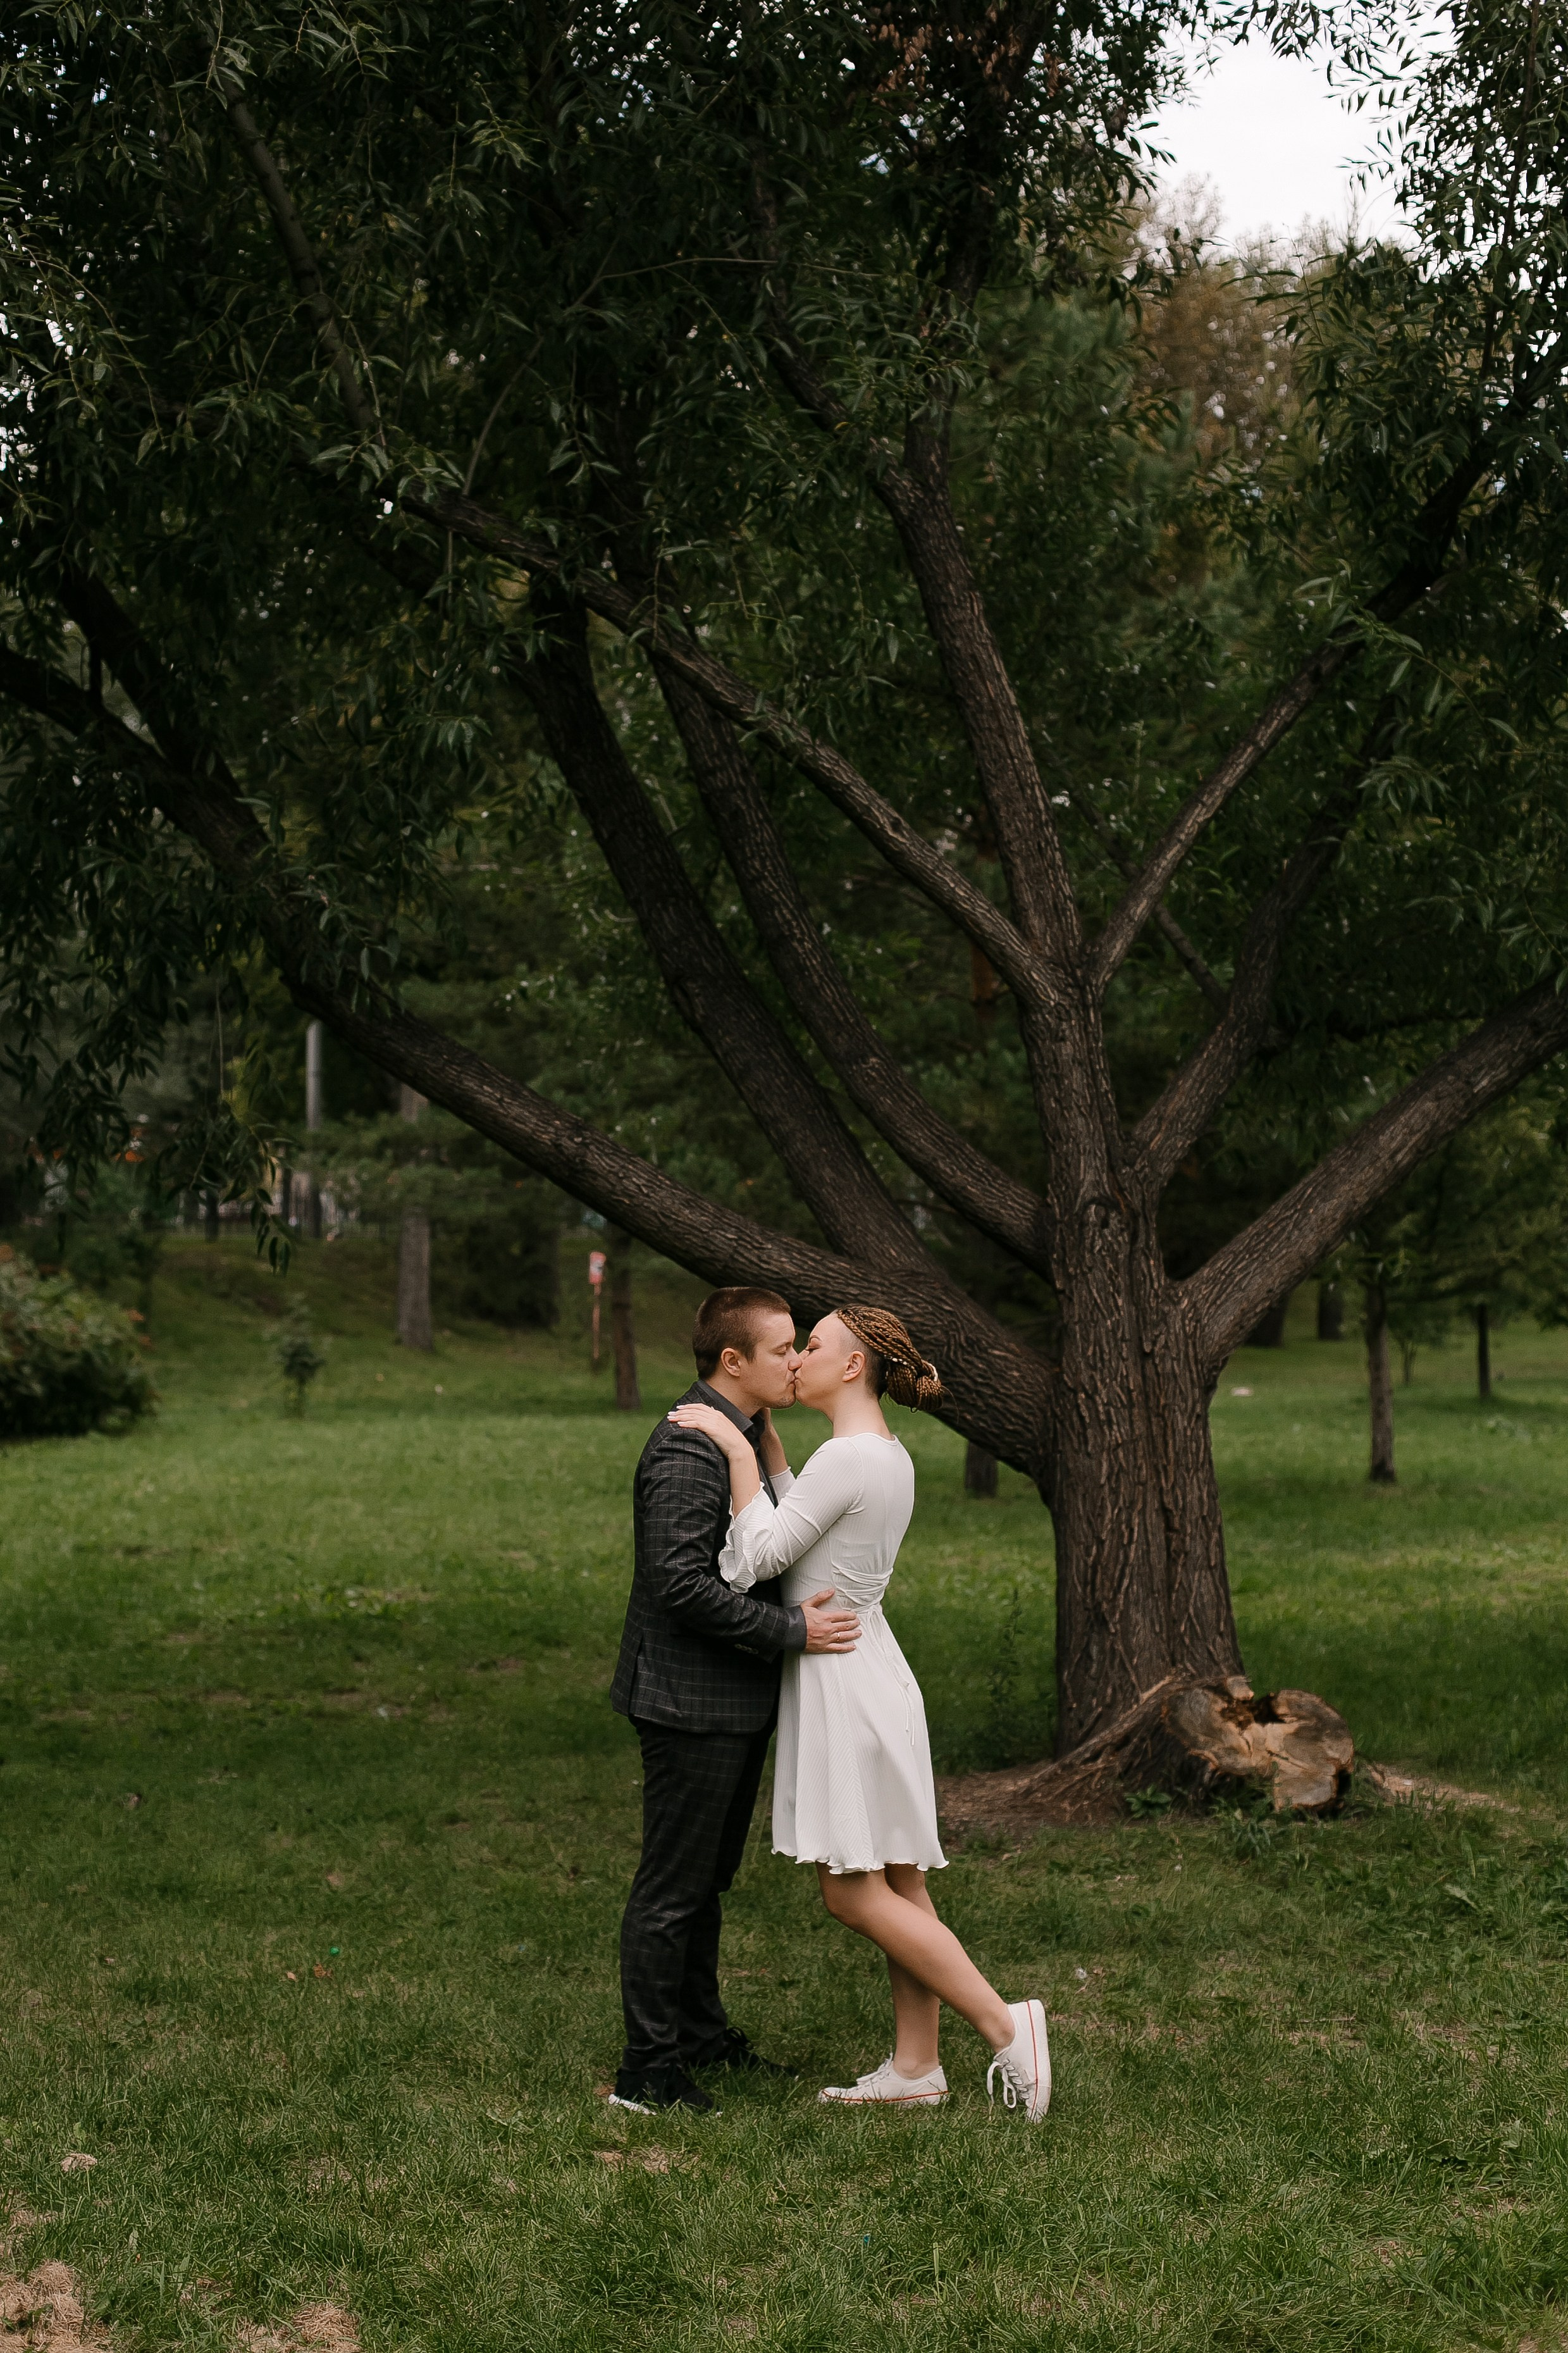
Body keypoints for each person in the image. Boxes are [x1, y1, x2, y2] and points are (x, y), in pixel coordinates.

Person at [669, 1304, 1051, 2121]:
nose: (797, 1357)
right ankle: (917, 2067)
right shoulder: (880, 1453)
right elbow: (804, 1537)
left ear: (852, 1367)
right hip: (872, 1671)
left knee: (851, 1892)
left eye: (811, 1345)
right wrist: (770, 1453)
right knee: (901, 1881)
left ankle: (1003, 2021)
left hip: (843, 1682)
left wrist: (735, 1446)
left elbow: (755, 1560)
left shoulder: (846, 1457)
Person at [610, 1285, 861, 2116]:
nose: (797, 1361)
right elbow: (677, 1585)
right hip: (688, 1701)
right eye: (785, 1348)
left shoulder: (745, 1433)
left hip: (728, 1698)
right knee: (673, 1888)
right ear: (734, 1361)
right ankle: (647, 2074)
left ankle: (700, 2036)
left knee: (705, 1881)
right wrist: (791, 1633)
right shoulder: (688, 1449)